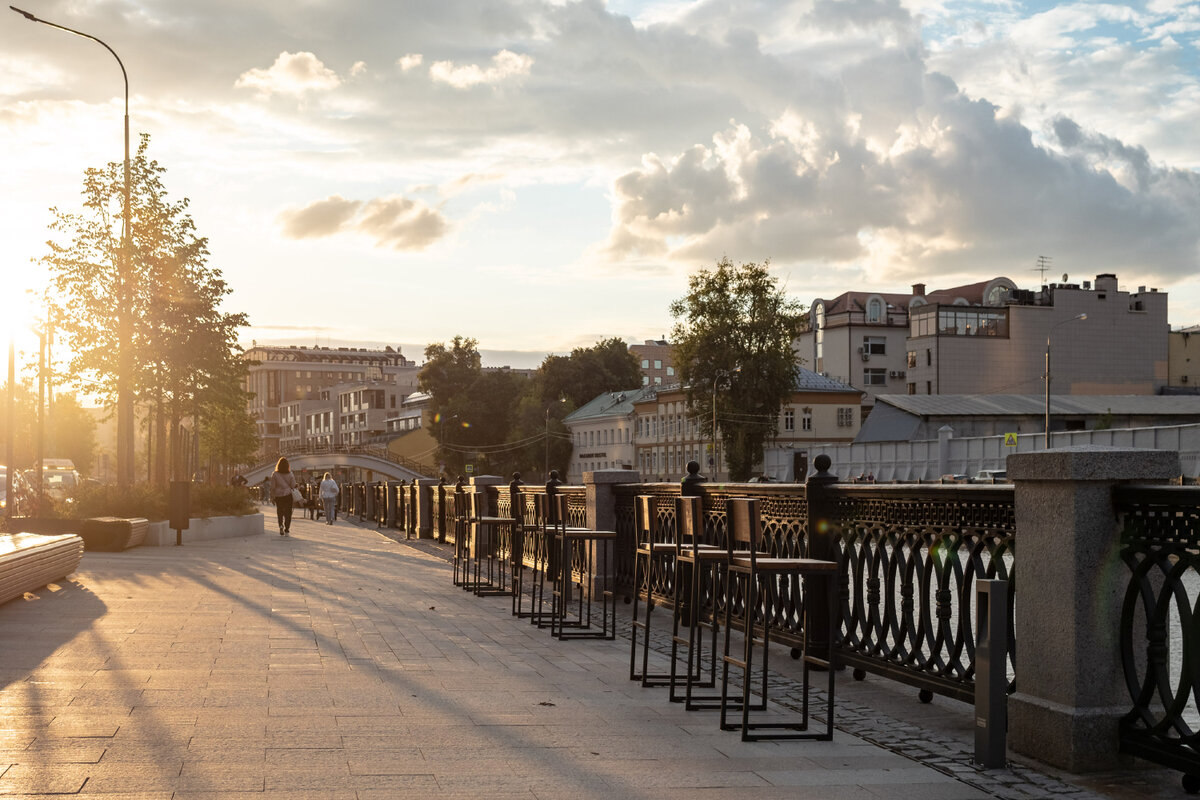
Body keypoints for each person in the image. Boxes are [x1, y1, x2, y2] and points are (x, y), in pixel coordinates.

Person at [269, 456, 297, 536]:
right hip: (288, 495)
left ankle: (280, 525)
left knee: (280, 511)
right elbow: (293, 485)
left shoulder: (275, 474)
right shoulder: (290, 474)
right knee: (288, 512)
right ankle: (287, 529)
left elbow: (272, 487)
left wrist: (272, 497)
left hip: (278, 495)